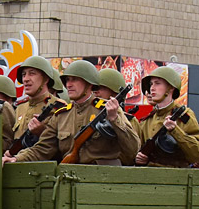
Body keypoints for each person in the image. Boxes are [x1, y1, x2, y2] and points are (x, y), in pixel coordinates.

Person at [7, 61, 138, 166]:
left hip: (104, 179)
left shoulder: (107, 109)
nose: (69, 84)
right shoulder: (61, 115)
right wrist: (16, 159)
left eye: (74, 80)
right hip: (71, 178)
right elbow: (42, 149)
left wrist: (114, 119)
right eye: (67, 80)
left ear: (89, 83)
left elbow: (133, 148)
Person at [133, 66, 199, 168]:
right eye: (151, 84)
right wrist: (139, 158)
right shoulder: (146, 121)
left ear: (171, 87)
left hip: (176, 178)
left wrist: (175, 131)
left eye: (157, 83)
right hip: (148, 176)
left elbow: (197, 154)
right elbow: (135, 151)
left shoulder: (184, 115)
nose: (152, 88)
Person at [11, 55, 66, 151]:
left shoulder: (59, 107)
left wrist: (42, 132)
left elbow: (64, 146)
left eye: (32, 74)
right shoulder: (19, 108)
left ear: (46, 79)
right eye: (24, 75)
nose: (25, 79)